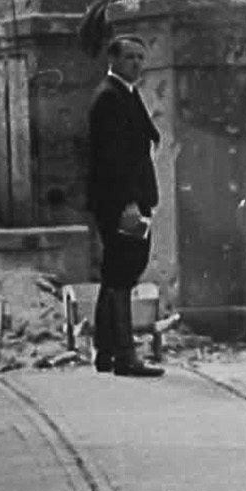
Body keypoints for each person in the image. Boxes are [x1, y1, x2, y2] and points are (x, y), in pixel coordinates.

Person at [86, 36, 164, 377]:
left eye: (140, 57)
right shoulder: (109, 98)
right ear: (113, 59)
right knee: (123, 273)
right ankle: (124, 355)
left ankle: (106, 351)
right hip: (122, 202)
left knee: (117, 273)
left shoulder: (125, 94)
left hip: (129, 199)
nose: (137, 63)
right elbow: (114, 159)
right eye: (130, 57)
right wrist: (129, 203)